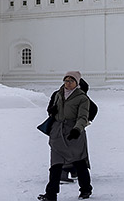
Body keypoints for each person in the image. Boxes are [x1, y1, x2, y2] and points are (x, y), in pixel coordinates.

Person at [38, 72, 91, 200]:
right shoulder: (58, 94)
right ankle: (51, 194)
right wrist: (52, 111)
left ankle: (85, 189)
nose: (67, 83)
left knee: (79, 162)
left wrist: (77, 129)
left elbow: (83, 117)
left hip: (73, 133)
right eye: (65, 80)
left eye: (70, 81)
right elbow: (52, 108)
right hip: (57, 133)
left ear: (77, 83)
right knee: (55, 164)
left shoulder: (82, 98)